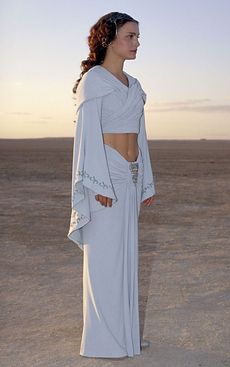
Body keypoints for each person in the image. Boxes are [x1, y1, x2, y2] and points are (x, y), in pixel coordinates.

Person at [67, 11, 156, 359]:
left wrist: (146, 180)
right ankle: (103, 340)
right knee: (104, 261)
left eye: (137, 37)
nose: (136, 43)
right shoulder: (94, 80)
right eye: (130, 36)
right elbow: (86, 136)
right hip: (104, 179)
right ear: (109, 38)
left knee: (125, 259)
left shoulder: (134, 86)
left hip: (130, 178)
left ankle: (125, 334)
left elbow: (141, 136)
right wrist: (97, 182)